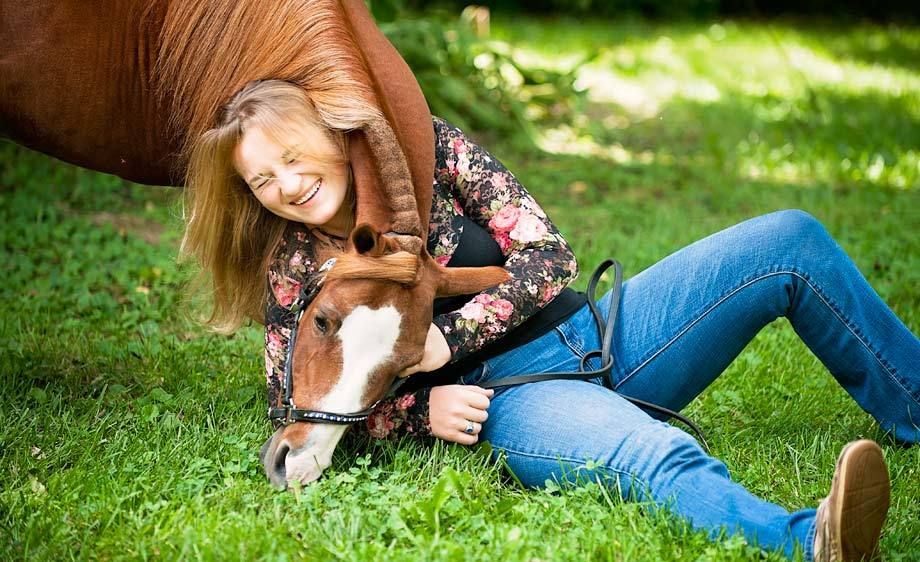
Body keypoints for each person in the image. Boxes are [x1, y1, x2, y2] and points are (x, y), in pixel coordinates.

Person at [182, 79, 918, 562]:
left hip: (599, 333)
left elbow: (546, 254)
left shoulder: (423, 149)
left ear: (329, 129)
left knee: (787, 242)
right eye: (261, 179)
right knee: (647, 456)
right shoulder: (296, 268)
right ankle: (810, 541)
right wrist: (416, 411)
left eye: (289, 155)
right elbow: (292, 401)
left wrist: (449, 338)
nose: (285, 184)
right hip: (508, 403)